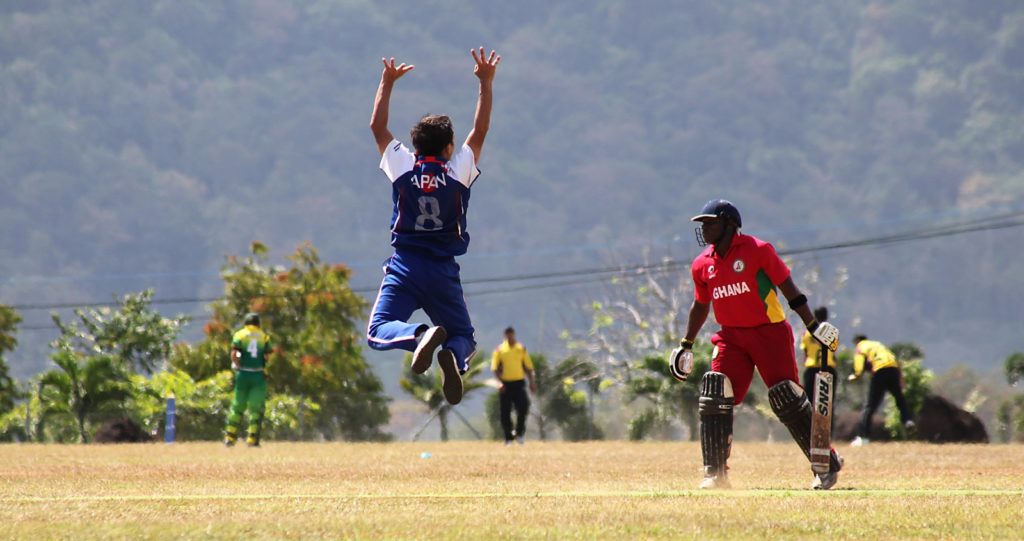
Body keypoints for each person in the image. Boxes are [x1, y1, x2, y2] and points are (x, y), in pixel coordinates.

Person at [669, 199, 843, 490]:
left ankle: (826, 464)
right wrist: (686, 344)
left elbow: (790, 289)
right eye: (702, 224)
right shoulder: (702, 265)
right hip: (731, 337)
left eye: (710, 222)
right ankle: (715, 474)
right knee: (715, 390)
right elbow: (700, 306)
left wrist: (812, 325)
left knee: (787, 397)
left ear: (729, 223)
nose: (704, 229)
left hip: (769, 333)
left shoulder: (759, 250)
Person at [365, 48, 501, 405]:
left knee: (379, 330)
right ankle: (452, 358)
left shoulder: (403, 166)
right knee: (463, 336)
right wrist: (485, 82)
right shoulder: (458, 172)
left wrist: (387, 81)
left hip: (405, 266)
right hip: (443, 271)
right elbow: (482, 129)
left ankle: (419, 336)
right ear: (450, 147)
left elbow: (377, 127)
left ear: (414, 145)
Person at [848, 334, 915, 446]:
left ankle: (863, 437)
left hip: (880, 371)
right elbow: (895, 360)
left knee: (870, 406)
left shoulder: (861, 346)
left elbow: (859, 365)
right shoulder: (877, 344)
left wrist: (856, 375)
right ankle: (907, 420)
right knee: (899, 398)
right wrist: (900, 378)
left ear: (857, 341)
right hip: (893, 369)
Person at [225, 313, 271, 448]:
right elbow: (267, 357)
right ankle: (252, 439)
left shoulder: (240, 335)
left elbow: (234, 353)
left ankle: (230, 438)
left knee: (237, 406)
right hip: (257, 375)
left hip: (243, 375)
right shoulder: (264, 336)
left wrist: (238, 365)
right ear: (258, 324)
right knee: (256, 408)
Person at [491, 327, 536, 445]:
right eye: (508, 335)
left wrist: (532, 382)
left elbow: (529, 368)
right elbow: (495, 368)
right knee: (505, 411)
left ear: (514, 335)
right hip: (505, 384)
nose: (510, 337)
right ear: (505, 335)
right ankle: (508, 437)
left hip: (519, 382)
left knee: (523, 408)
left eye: (511, 335)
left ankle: (519, 433)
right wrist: (500, 383)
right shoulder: (500, 350)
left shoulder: (521, 349)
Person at [801, 306, 838, 434]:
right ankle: (828, 433)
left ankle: (810, 431)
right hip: (829, 368)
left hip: (811, 369)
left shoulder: (807, 332)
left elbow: (805, 353)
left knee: (810, 402)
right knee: (828, 402)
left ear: (814, 316)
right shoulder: (831, 331)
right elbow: (834, 351)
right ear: (826, 316)